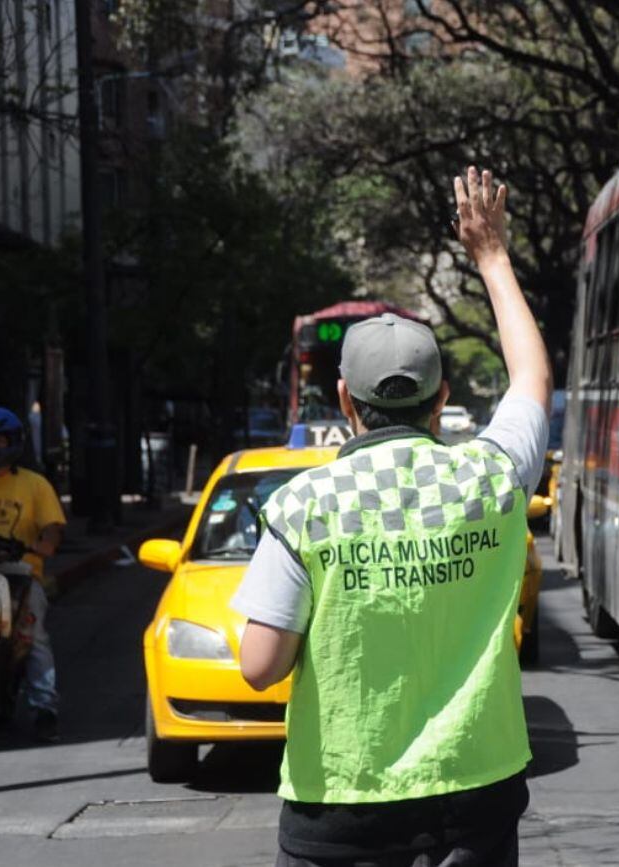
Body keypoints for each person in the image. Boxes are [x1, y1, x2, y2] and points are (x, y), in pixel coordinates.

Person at [233, 166, 552, 867]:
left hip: (343, 811)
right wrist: (491, 256)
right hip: (477, 802)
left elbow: (260, 665)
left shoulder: (304, 506)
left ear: (346, 400)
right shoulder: (491, 478)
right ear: (439, 403)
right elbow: (531, 379)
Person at [0, 405, 67, 742]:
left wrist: (41, 543)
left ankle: (44, 707)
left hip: (19, 573)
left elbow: (52, 529)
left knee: (31, 638)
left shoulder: (35, 485)